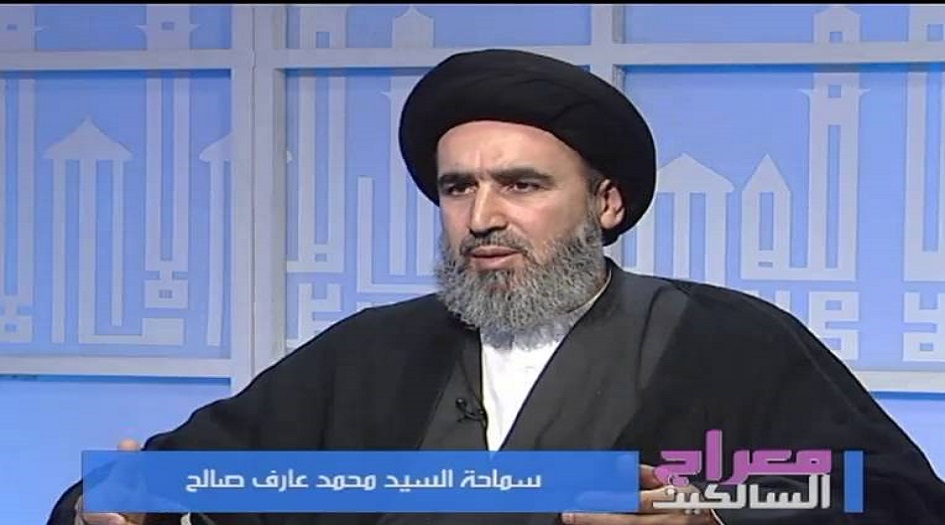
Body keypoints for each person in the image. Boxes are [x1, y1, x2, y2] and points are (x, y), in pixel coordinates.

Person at [52, 48, 945, 525]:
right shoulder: (371, 350)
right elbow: (176, 481)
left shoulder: (731, 341)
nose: (481, 215)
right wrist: (111, 508)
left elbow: (892, 502)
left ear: (605, 201)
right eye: (457, 188)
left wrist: (712, 523)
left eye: (520, 184)